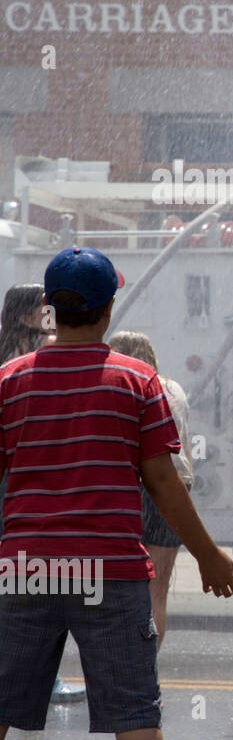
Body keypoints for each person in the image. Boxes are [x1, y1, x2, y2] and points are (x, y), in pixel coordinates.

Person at [0, 247, 233, 740]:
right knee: (134, 713)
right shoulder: (135, 381)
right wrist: (208, 554)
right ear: (109, 307)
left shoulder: (11, 381)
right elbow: (162, 480)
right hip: (110, 570)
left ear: (49, 307)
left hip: (25, 567)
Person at [0, 283, 86, 705]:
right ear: (24, 317)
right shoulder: (26, 362)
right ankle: (42, 677)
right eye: (45, 309)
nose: (53, 315)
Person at [106, 331, 194, 650]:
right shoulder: (173, 389)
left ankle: (121, 663)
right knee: (158, 589)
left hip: (132, 487)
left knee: (119, 585)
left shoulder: (121, 385)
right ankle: (147, 670)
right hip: (174, 490)